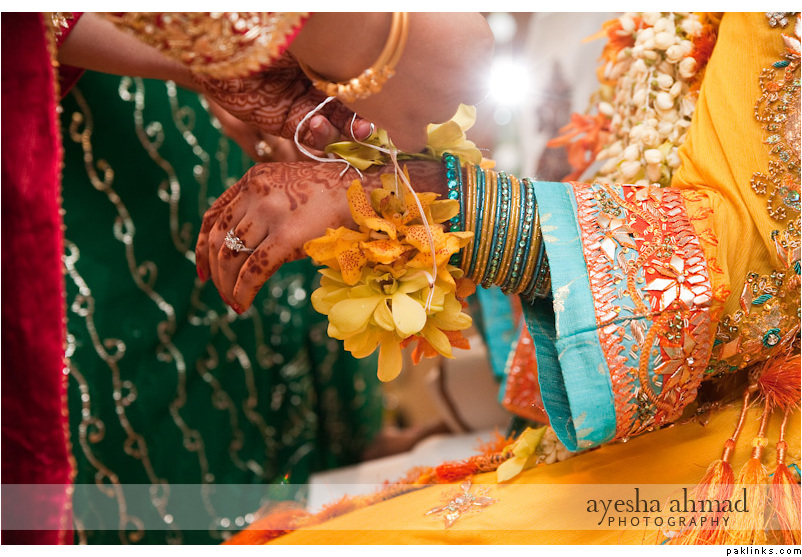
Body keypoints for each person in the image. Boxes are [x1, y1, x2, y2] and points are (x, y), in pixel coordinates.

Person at [197, 12, 800, 544]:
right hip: (621, 436)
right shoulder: (567, 25)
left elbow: (756, 277)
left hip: (749, 439)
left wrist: (407, 198)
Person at [1, 11, 494, 544]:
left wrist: (213, 59)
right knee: (144, 368)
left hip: (184, 89)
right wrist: (211, 52)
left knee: (257, 296)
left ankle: (315, 480)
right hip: (80, 141)